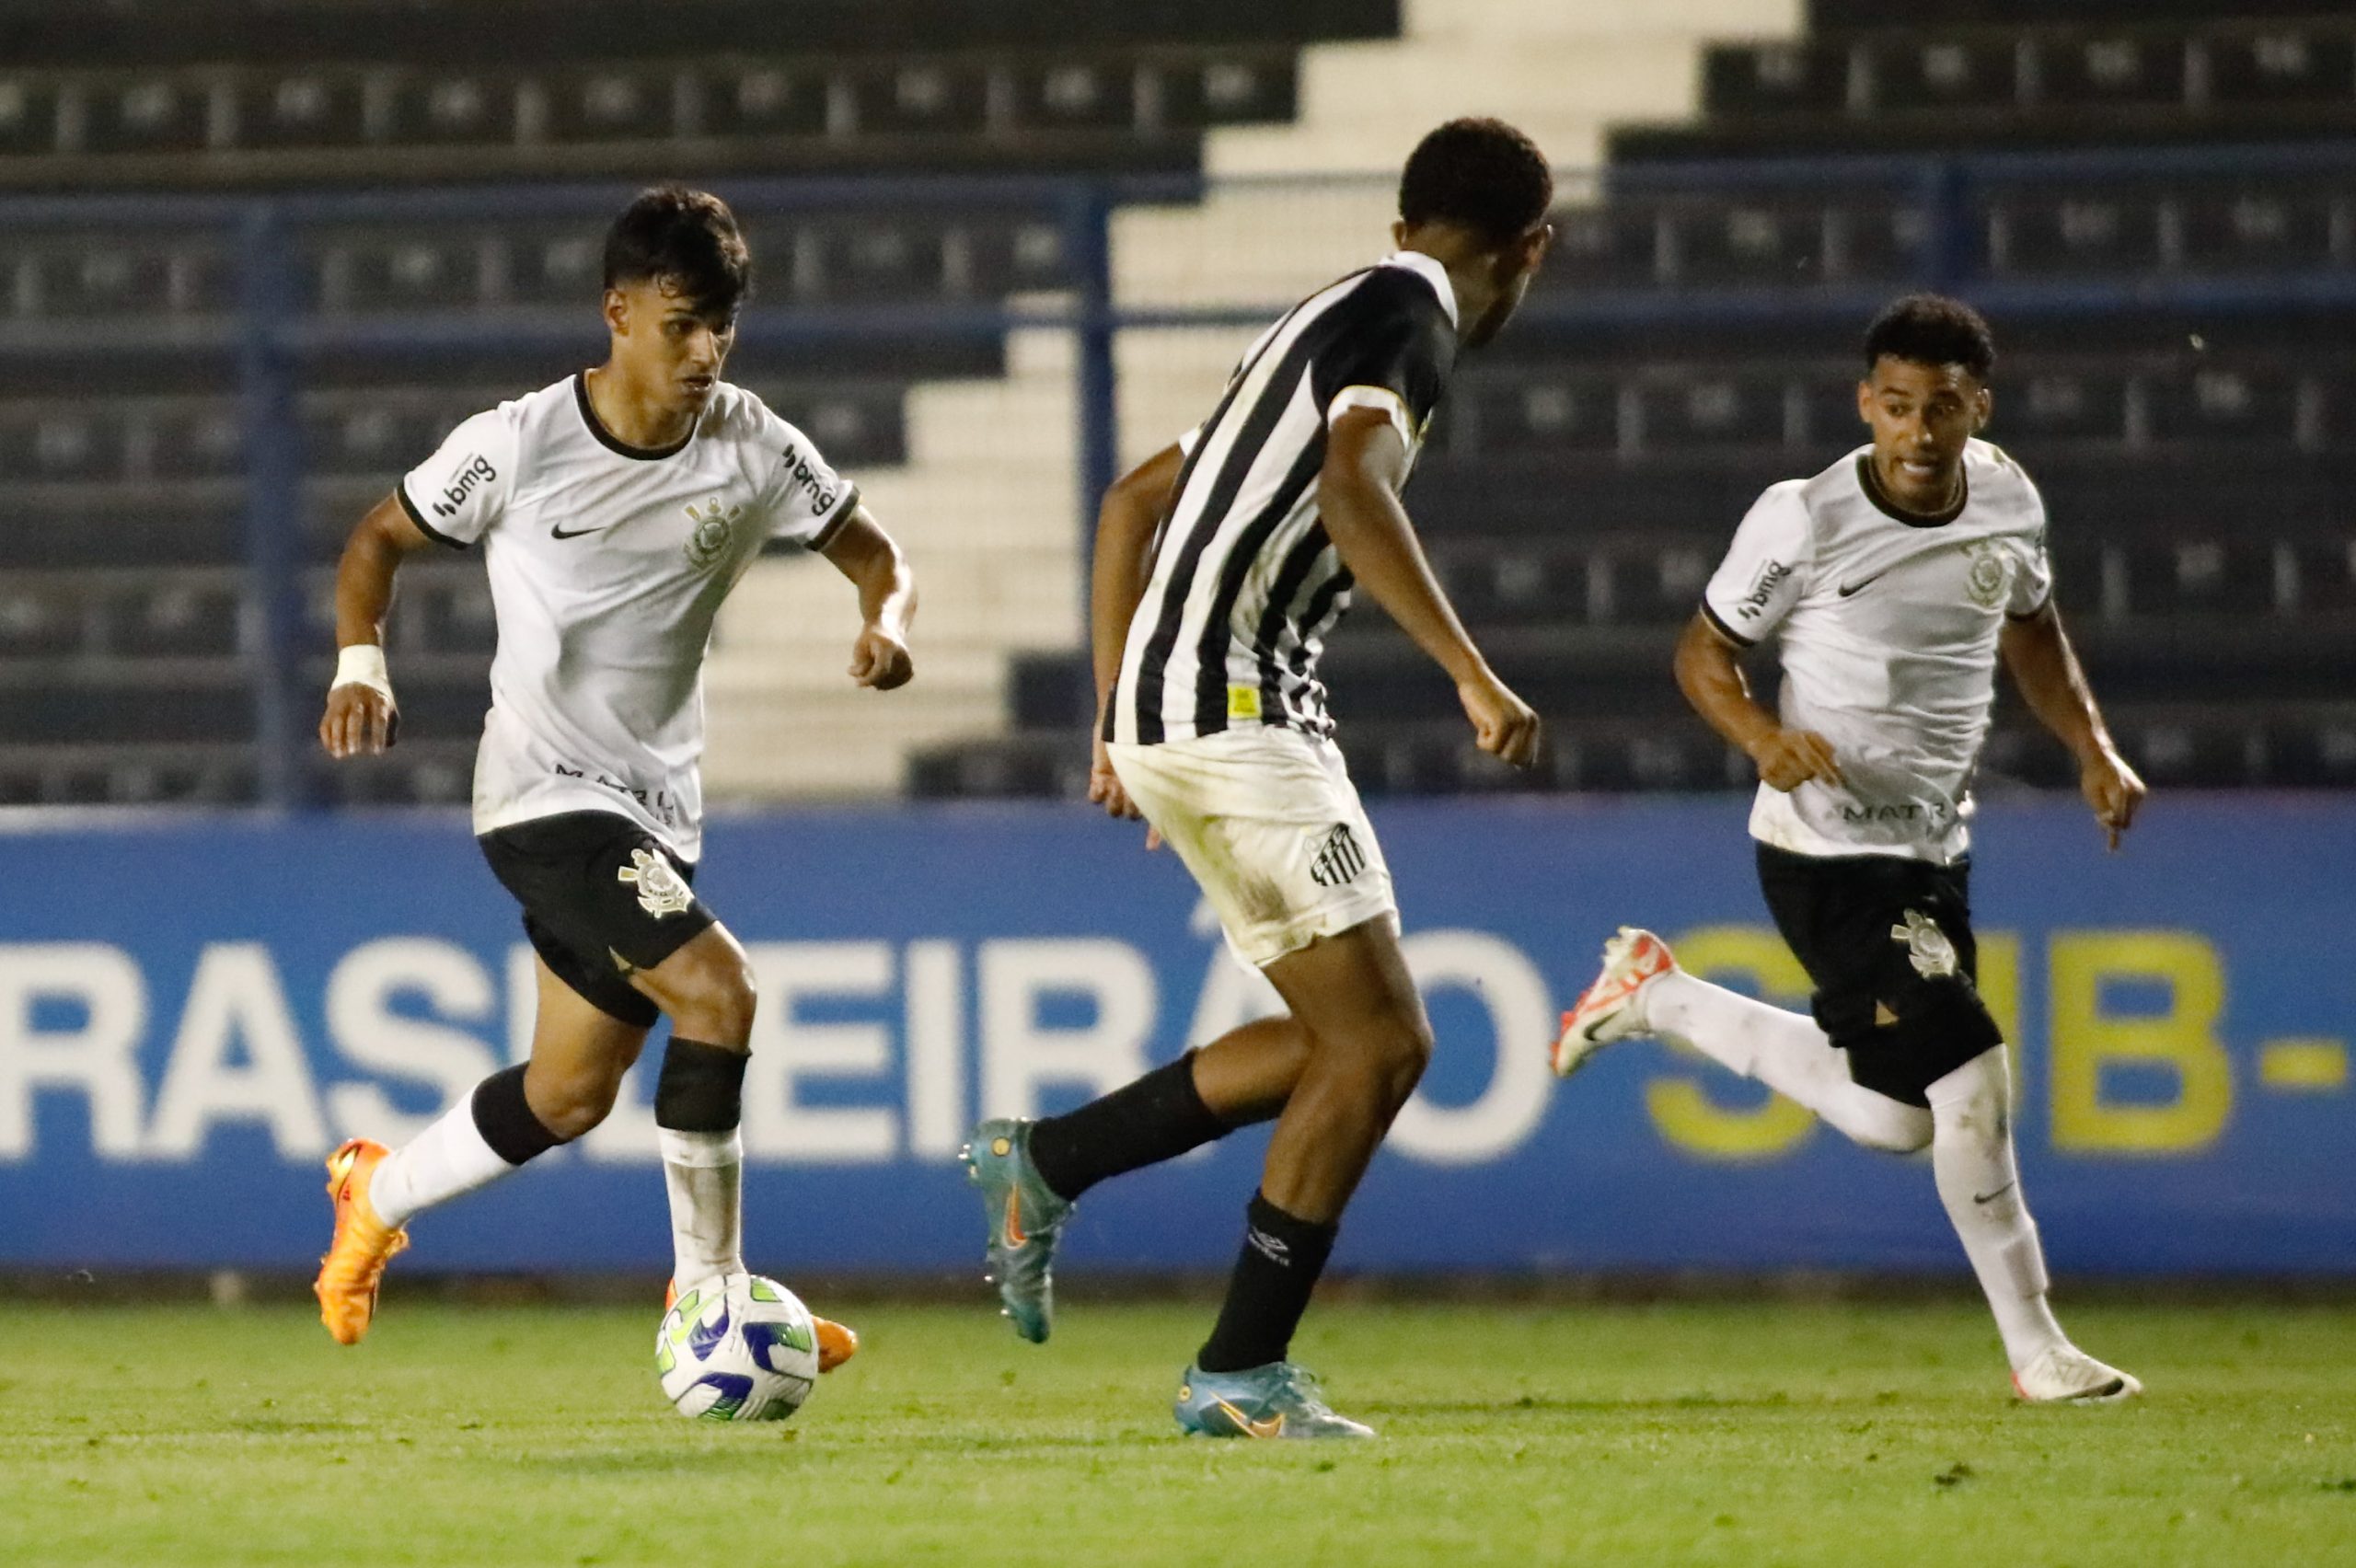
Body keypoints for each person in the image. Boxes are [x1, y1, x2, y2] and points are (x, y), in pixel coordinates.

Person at [962, 118, 1553, 1439]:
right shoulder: (1415, 321)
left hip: (1193, 713)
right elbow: (1353, 486)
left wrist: (1117, 723)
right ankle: (1236, 1372)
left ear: (1404, 224)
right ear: (1531, 251)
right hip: (1240, 712)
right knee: (1389, 1043)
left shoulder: (1321, 317)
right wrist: (1471, 671)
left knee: (1337, 1043)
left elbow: (1129, 501)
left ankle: (1047, 1163)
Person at [311, 185, 916, 1370]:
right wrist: (360, 661)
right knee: (720, 995)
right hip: (543, 794)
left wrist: (887, 621)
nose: (706, 352)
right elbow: (379, 535)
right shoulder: (519, 444)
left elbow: (874, 549)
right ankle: (714, 1301)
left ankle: (373, 1198)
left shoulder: (753, 445)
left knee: (568, 1094)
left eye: (723, 327)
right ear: (618, 312)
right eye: (683, 323)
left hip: (656, 807)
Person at [1553, 294, 2145, 1403]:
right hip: (1823, 855)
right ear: (1864, 405)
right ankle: (2038, 1352)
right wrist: (1759, 736)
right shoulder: (1806, 519)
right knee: (1973, 1076)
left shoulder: (2009, 499)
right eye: (1899, 407)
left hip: (1931, 851)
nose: (1921, 433)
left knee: (1894, 1118)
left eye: (1946, 409)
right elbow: (1699, 656)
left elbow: (2033, 630)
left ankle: (1660, 997)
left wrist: (2092, 749)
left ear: (1980, 408)